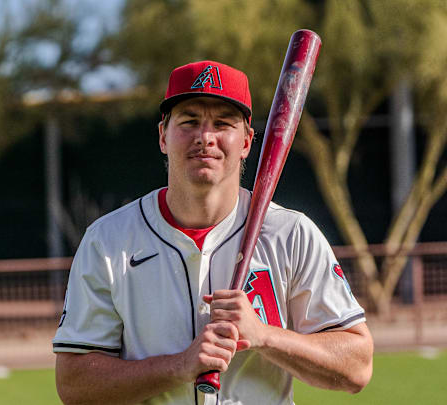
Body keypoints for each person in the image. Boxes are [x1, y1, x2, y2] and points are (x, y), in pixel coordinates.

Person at [52, 60, 373, 405]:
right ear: (163, 135)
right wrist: (180, 366)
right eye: (189, 121)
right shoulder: (108, 241)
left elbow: (356, 366)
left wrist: (265, 336)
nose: (205, 137)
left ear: (247, 142)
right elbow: (74, 383)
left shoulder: (290, 234)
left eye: (223, 124)